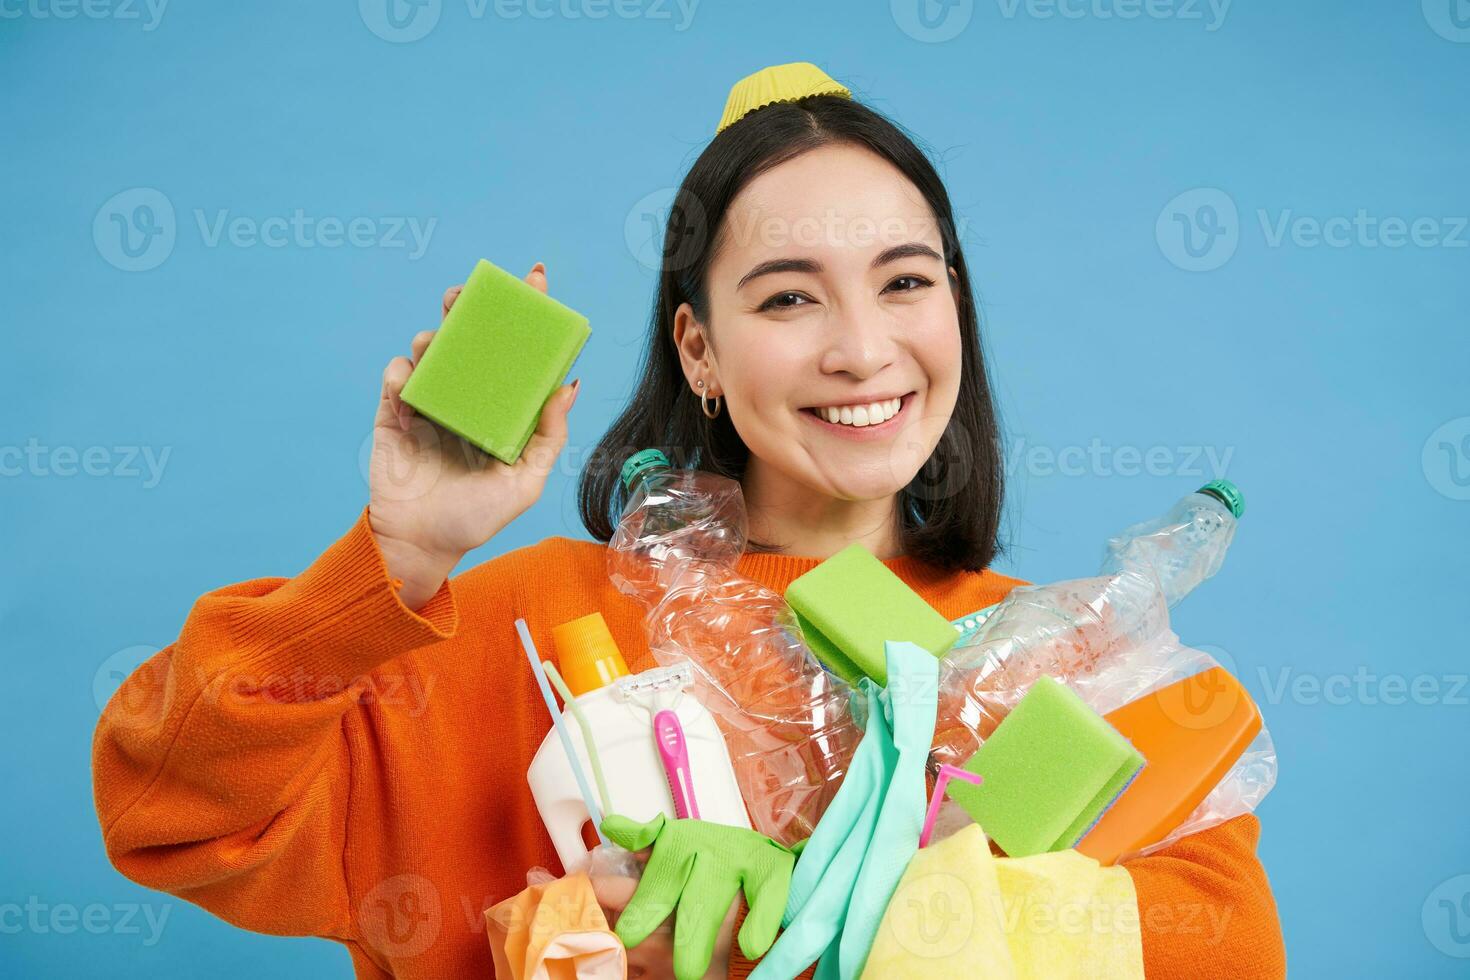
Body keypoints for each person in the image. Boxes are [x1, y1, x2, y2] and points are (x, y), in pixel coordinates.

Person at [92, 63, 1286, 979]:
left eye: (907, 279)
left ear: (956, 313)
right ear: (698, 349)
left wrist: (831, 907)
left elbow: (1219, 946)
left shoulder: (1078, 675)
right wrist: (403, 557)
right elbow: (178, 807)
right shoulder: (514, 629)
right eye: (787, 296)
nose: (864, 346)